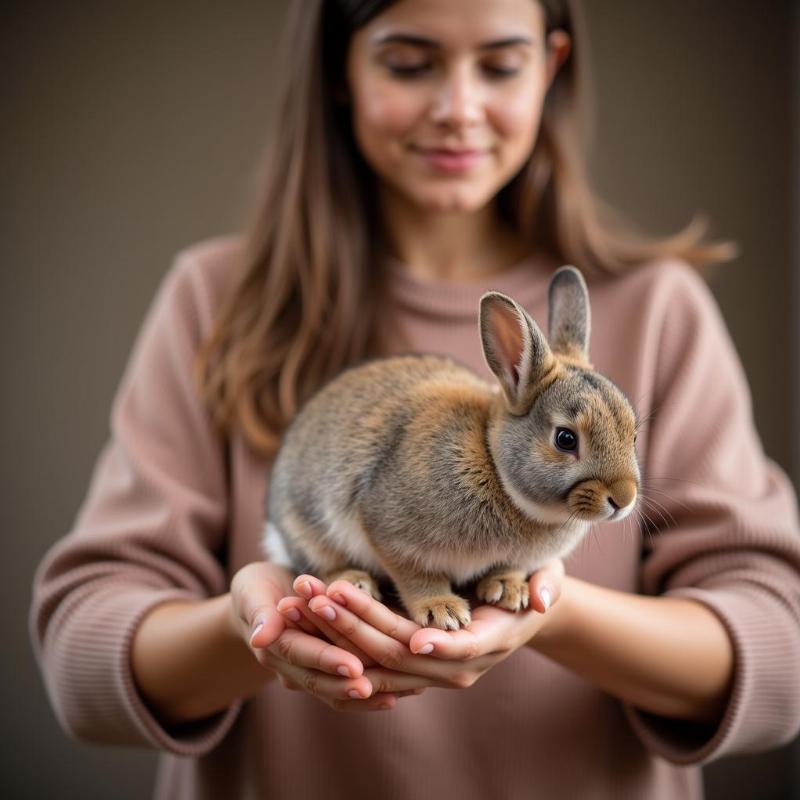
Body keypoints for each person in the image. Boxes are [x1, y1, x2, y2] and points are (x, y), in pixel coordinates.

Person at [30, 1, 800, 798]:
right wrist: (259, 628)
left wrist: (552, 615)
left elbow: (781, 652)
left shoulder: (658, 309)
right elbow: (82, 658)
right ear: (339, 71)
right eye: (409, 63)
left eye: (499, 65)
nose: (458, 109)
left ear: (551, 64)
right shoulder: (215, 300)